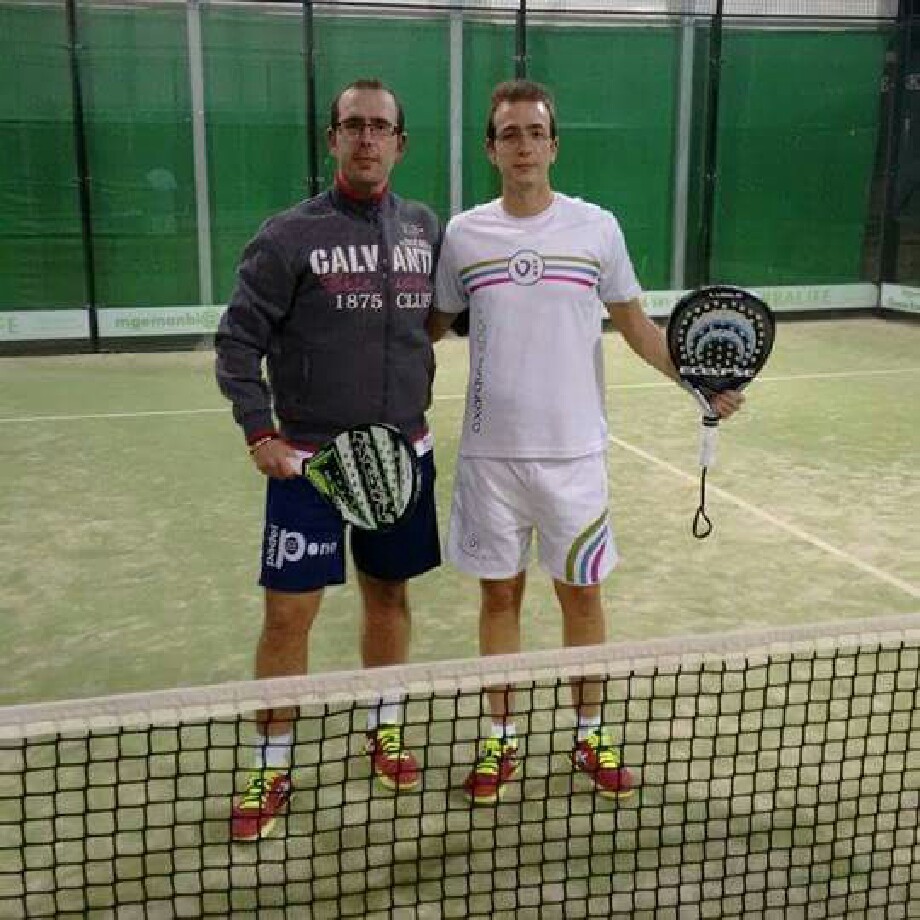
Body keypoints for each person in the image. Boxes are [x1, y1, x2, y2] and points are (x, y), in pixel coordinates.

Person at [427, 80, 744, 805]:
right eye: (509, 134)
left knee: (582, 597)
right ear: (491, 149)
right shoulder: (464, 235)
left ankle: (589, 734)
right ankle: (500, 739)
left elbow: (637, 329)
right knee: (499, 598)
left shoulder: (596, 229)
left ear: (554, 145)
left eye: (535, 132)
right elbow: (427, 331)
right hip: (490, 458)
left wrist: (699, 385)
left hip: (574, 459)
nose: (524, 146)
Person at [215, 79, 442, 841]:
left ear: (400, 143)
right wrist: (260, 432)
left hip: (400, 456)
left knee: (389, 599)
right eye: (354, 125)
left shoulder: (425, 229)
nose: (367, 138)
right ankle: (270, 764)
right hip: (309, 466)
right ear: (332, 138)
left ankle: (385, 726)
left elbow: (435, 323)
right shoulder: (288, 236)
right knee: (288, 616)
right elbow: (237, 342)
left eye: (381, 127)